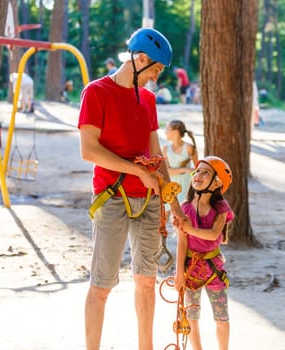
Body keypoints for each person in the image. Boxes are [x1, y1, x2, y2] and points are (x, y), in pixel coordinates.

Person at [78, 27, 182, 350]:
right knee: (102, 284)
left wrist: (173, 204)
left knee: (146, 281)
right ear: (139, 59)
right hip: (111, 199)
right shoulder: (96, 93)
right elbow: (89, 150)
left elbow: (157, 154)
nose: (154, 78)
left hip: (150, 200)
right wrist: (136, 170)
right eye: (153, 70)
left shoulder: (148, 100)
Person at [173, 156, 234, 350]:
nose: (198, 175)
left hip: (213, 268)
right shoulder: (185, 208)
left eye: (206, 172)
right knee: (191, 317)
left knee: (222, 318)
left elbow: (214, 234)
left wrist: (187, 228)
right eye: (197, 171)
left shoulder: (220, 208)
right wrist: (178, 274)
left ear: (217, 183)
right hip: (191, 269)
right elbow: (182, 243)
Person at [162, 120, 198, 205]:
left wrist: (184, 170)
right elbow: (167, 172)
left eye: (167, 129)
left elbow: (196, 170)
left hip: (185, 187)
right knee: (166, 214)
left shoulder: (189, 148)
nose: (165, 132)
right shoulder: (165, 149)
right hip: (169, 186)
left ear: (175, 132)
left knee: (183, 212)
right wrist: (185, 169)